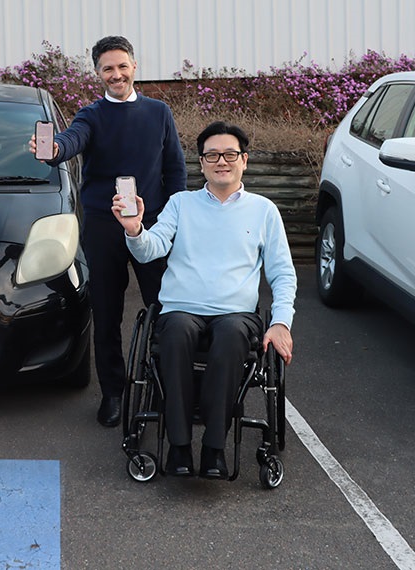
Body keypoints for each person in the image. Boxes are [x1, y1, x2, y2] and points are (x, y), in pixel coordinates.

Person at [113, 121, 296, 479]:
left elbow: (283, 273)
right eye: (212, 155)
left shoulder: (264, 210)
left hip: (236, 315)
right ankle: (179, 448)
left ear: (244, 160)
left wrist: (280, 322)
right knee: (176, 330)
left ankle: (214, 449)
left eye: (230, 154)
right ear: (201, 163)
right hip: (182, 309)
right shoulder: (181, 203)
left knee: (230, 336)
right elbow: (152, 249)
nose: (221, 161)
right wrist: (134, 230)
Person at [30, 35, 187, 428]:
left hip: (152, 228)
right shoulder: (92, 114)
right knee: (107, 313)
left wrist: (176, 219)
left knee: (164, 309)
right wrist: (53, 150)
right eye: (107, 69)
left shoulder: (158, 113)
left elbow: (175, 170)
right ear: (97, 73)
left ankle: (163, 385)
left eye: (121, 66)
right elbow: (71, 141)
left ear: (134, 65)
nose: (115, 74)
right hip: (103, 228)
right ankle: (114, 393)